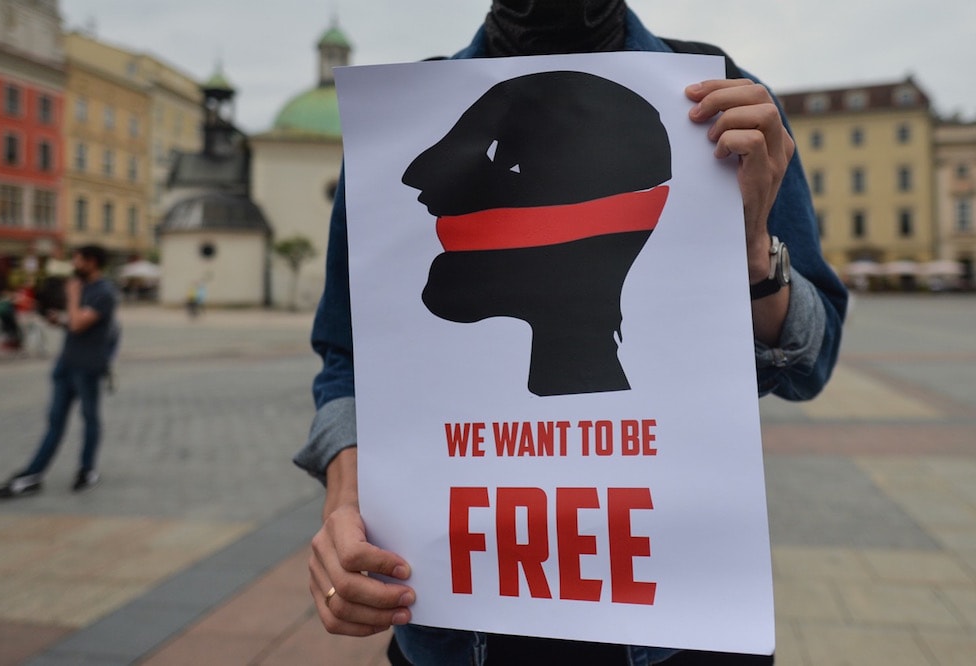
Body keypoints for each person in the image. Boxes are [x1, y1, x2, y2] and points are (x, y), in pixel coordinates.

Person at [293, 2, 849, 664]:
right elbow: (346, 355)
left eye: (494, 153)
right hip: (454, 630)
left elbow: (808, 364)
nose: (420, 175)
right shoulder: (393, 117)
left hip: (677, 630)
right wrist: (346, 489)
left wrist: (755, 256)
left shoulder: (724, 100)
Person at [0, 245, 120, 499]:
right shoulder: (84, 288)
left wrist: (72, 297)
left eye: (78, 259)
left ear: (92, 262)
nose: (74, 263)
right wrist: (58, 321)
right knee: (55, 422)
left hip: (88, 367)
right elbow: (73, 322)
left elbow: (80, 324)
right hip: (66, 364)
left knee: (90, 419)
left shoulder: (104, 292)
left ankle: (87, 469)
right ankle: (32, 475)